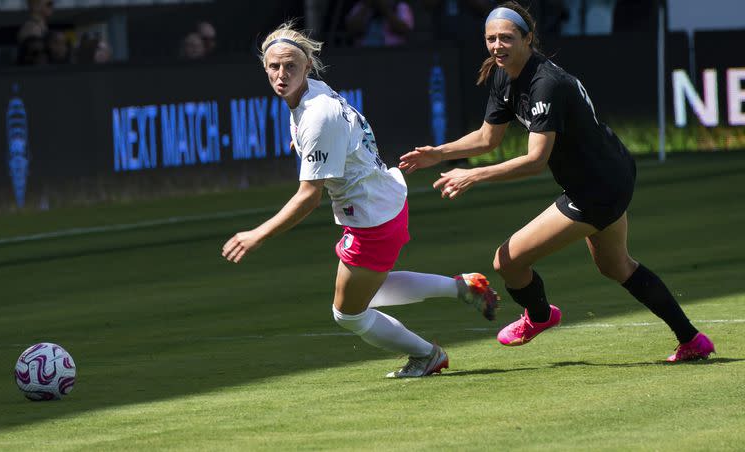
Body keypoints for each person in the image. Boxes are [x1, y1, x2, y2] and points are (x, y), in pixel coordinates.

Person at [399, 1, 715, 362]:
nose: (497, 46)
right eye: (491, 39)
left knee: (508, 262)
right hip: (608, 174)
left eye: (506, 37)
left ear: (528, 38)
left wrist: (473, 174)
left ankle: (540, 316)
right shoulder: (504, 73)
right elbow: (488, 138)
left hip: (597, 185)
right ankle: (692, 340)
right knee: (616, 266)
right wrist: (438, 153)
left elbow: (535, 160)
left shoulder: (546, 84)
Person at [222, 22, 500, 378]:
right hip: (384, 201)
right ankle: (463, 287)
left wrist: (256, 234)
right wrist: (308, 145)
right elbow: (341, 133)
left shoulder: (317, 115)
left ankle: (427, 355)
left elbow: (308, 197)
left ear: (307, 66)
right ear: (264, 67)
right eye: (274, 66)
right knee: (372, 288)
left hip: (371, 217)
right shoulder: (314, 94)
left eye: (290, 66)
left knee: (348, 313)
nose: (281, 74)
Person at [345, 0, 414, 47]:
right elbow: (352, 30)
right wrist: (366, 6)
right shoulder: (361, 6)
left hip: (393, 54)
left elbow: (404, 30)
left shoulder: (401, 6)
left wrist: (384, 9)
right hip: (363, 53)